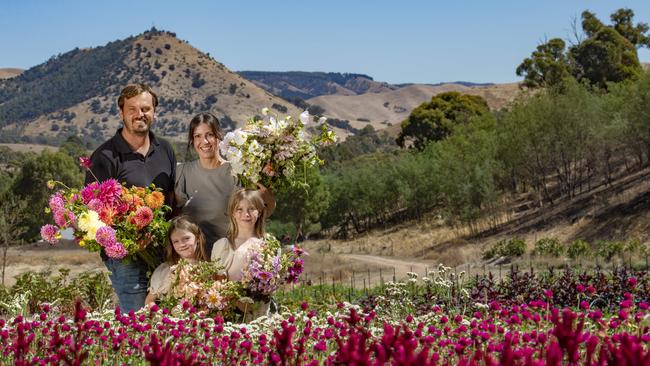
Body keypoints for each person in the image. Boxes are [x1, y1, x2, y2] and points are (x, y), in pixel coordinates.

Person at [86, 83, 176, 312]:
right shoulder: (104, 157)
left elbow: (173, 199)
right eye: (132, 109)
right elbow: (93, 214)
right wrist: (131, 240)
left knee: (168, 321)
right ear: (121, 113)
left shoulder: (165, 150)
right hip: (126, 259)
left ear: (154, 112)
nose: (140, 114)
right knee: (137, 322)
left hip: (164, 253)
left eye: (146, 108)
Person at [175, 113, 275, 254]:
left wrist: (267, 196)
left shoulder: (236, 171)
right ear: (192, 140)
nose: (204, 141)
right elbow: (174, 215)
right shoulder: (182, 173)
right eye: (197, 136)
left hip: (228, 257)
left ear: (219, 136)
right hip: (194, 259)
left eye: (209, 135)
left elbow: (262, 210)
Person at [211, 188, 270, 319]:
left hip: (260, 313)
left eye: (251, 209)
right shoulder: (223, 246)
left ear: (259, 212)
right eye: (240, 209)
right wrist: (238, 303)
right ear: (232, 213)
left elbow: (271, 284)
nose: (246, 214)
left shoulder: (267, 245)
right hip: (232, 314)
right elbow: (218, 284)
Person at [145, 216, 208, 305]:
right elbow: (149, 301)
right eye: (176, 241)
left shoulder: (207, 268)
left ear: (197, 238)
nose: (181, 244)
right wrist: (159, 316)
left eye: (186, 238)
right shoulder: (167, 270)